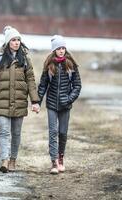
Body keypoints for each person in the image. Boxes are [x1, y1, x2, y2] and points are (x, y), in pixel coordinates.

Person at [0, 26, 40, 173]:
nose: (16, 42)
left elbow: (31, 81)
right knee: (4, 132)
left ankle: (13, 160)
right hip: (1, 101)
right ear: (8, 42)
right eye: (13, 40)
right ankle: (4, 161)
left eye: (18, 40)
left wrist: (35, 101)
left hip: (19, 102)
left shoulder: (25, 60)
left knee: (16, 133)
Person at [38, 35, 81, 174]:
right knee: (53, 132)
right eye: (58, 48)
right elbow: (43, 85)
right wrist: (37, 102)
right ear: (54, 50)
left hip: (65, 105)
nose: (61, 50)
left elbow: (77, 85)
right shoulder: (49, 65)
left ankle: (61, 157)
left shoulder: (71, 65)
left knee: (62, 133)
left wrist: (69, 99)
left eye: (63, 48)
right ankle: (54, 163)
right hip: (51, 104)